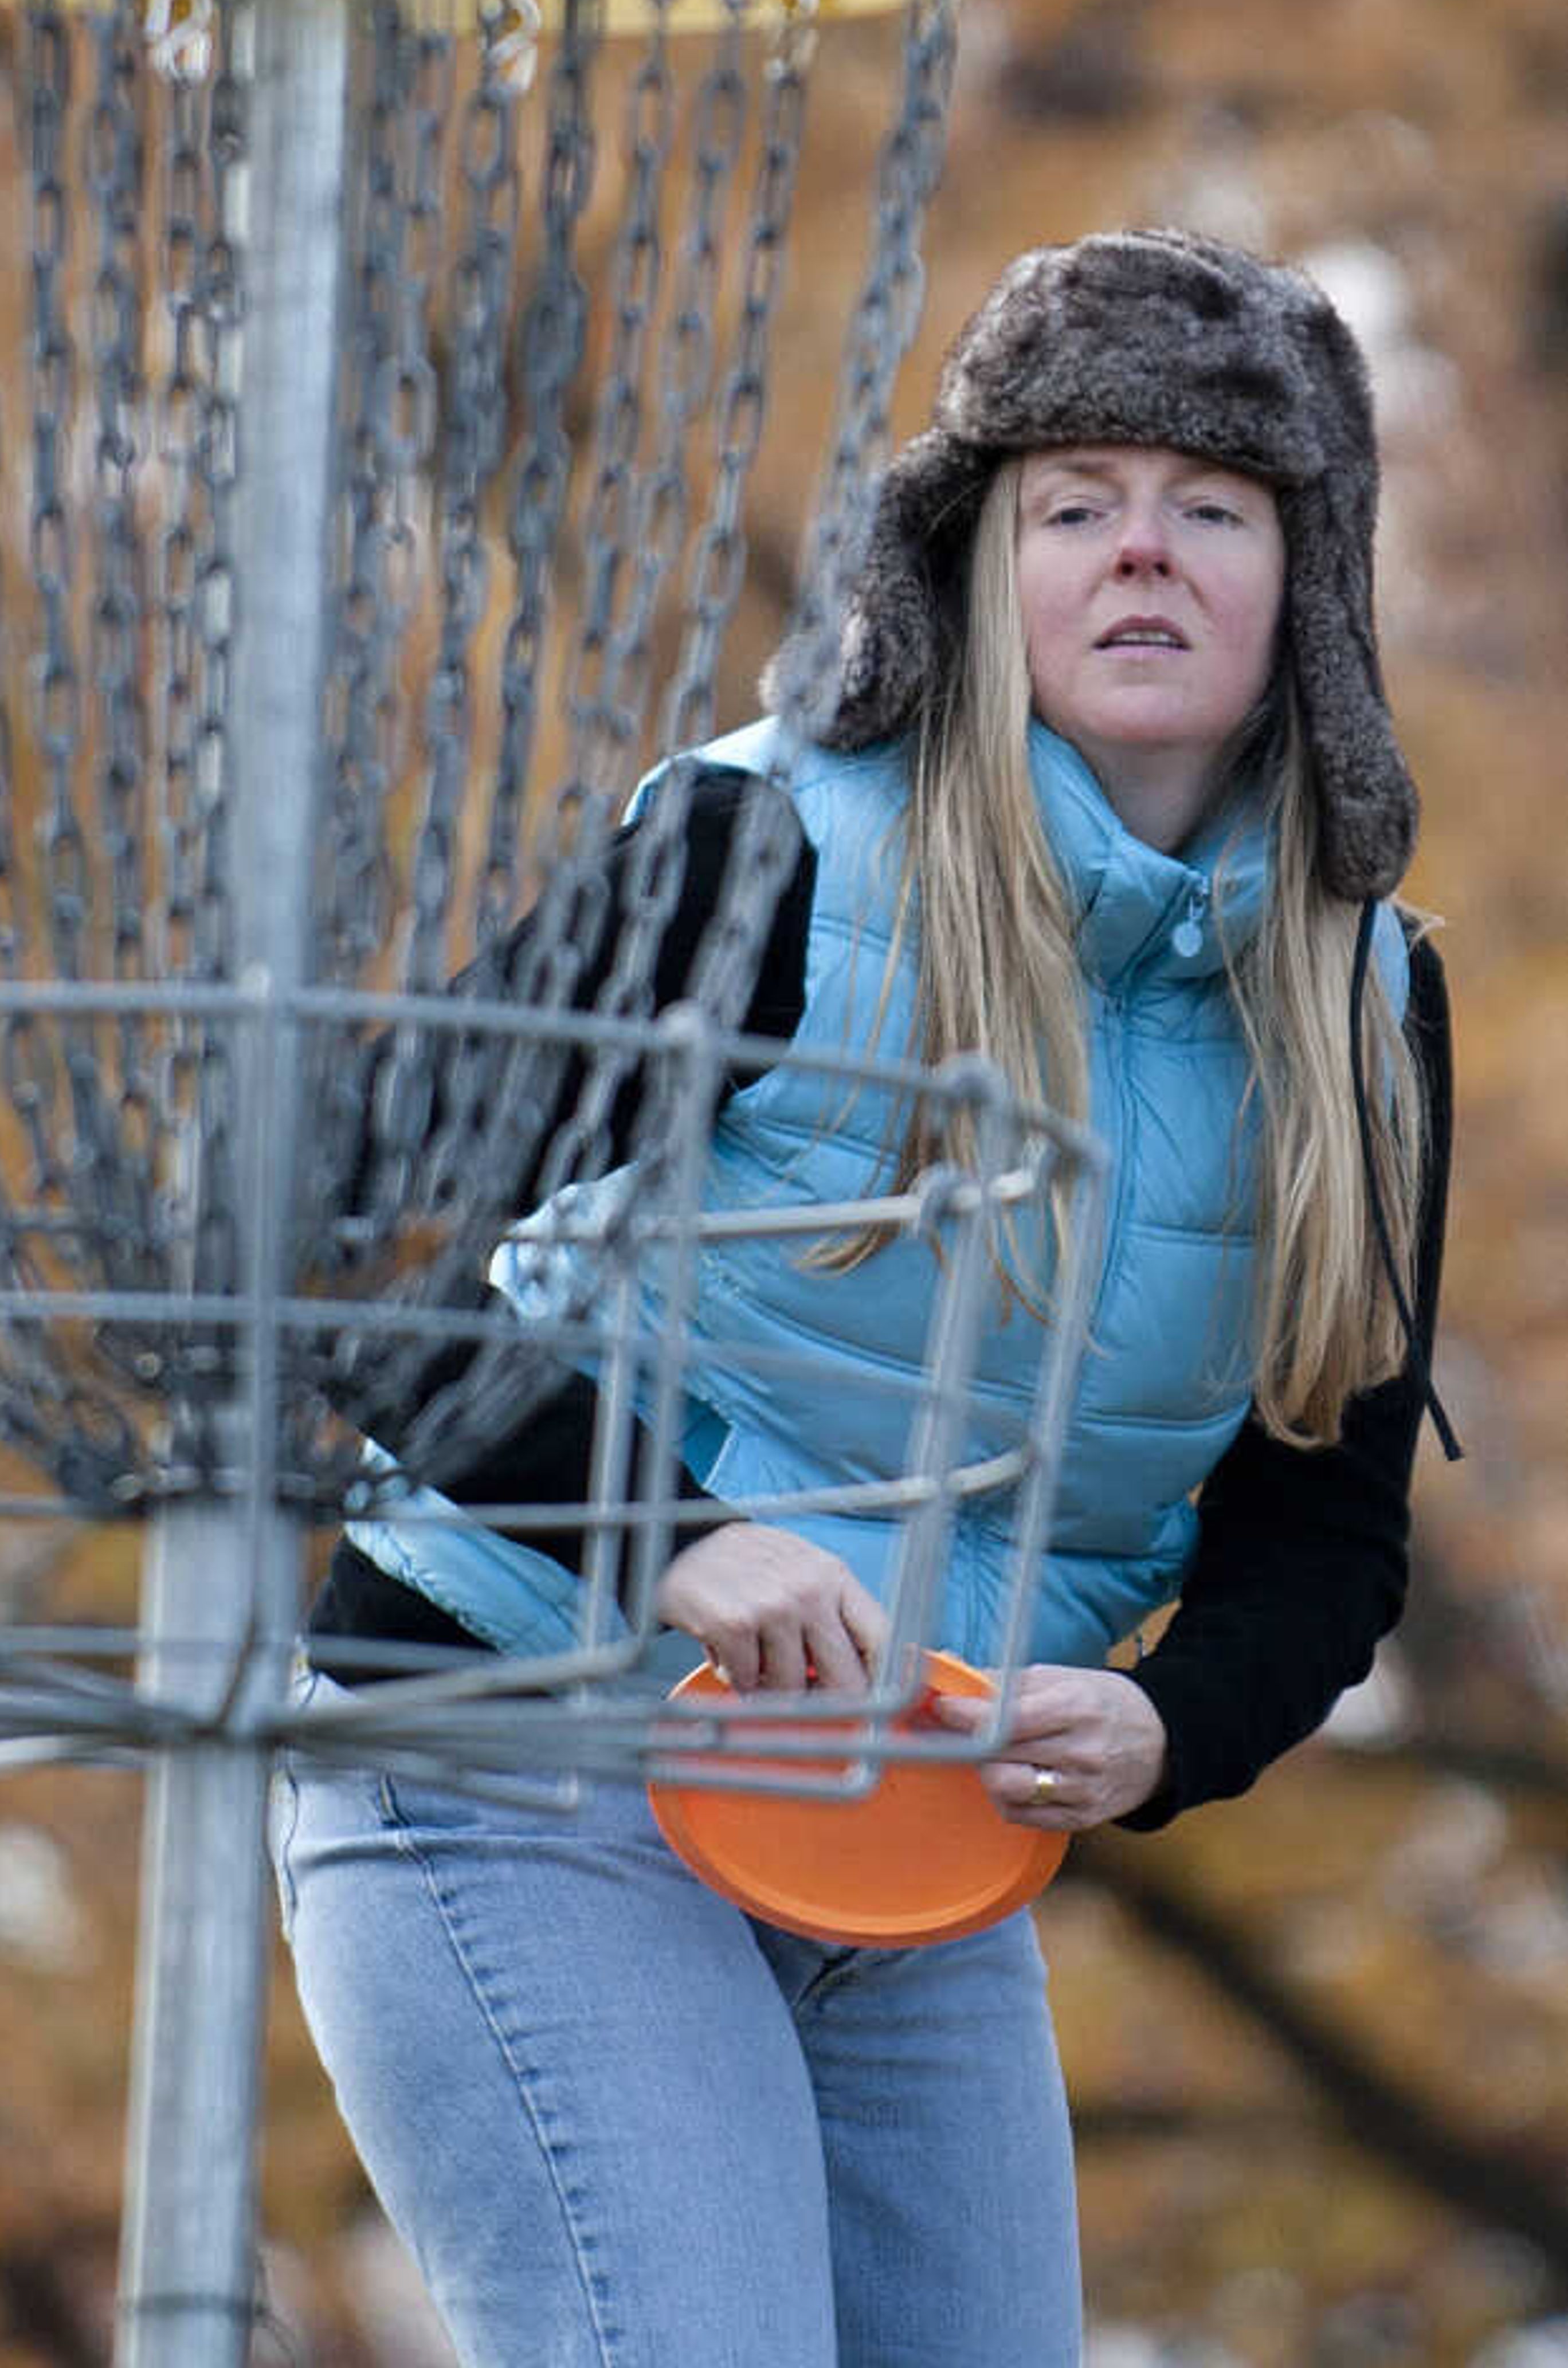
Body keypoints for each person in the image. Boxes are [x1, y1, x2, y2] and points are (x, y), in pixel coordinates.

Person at [271, 229, 1455, 2368]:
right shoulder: (776, 852)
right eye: (1075, 506)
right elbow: (353, 1217)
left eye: (1210, 508)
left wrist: (1180, 1721)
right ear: (982, 560)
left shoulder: (1373, 1004)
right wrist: (671, 1534)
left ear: (1308, 579)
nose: (1140, 556)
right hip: (513, 1741)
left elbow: (1330, 1530)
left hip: (901, 1850)